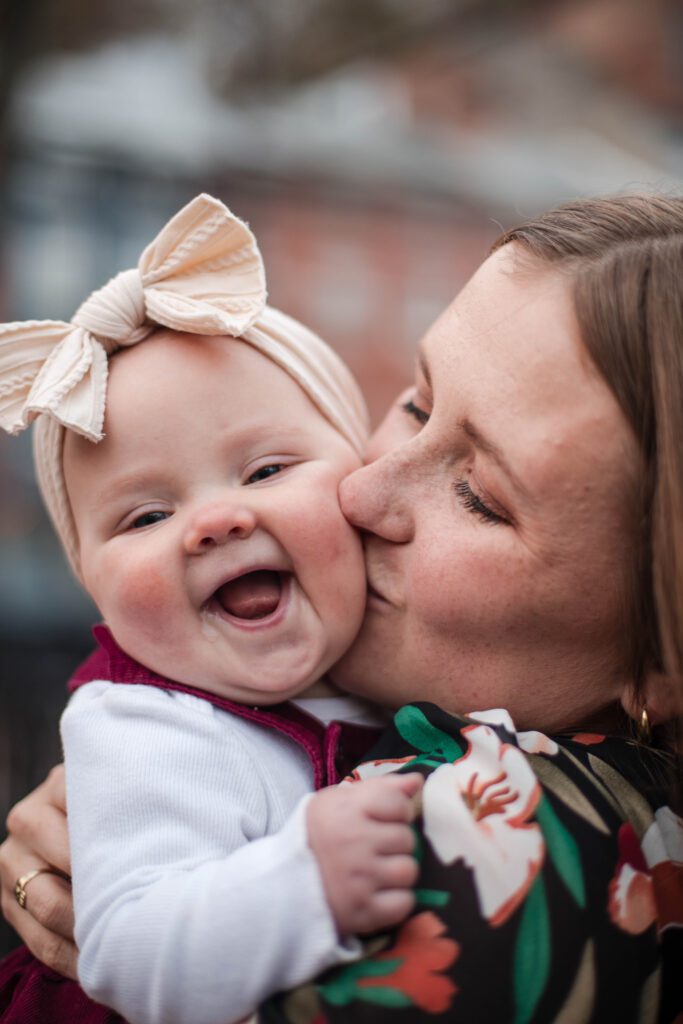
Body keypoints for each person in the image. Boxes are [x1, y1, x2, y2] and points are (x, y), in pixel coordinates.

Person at [2, 192, 683, 1022]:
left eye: (478, 496)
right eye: (417, 403)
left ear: (662, 661)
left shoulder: (505, 853)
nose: (359, 490)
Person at [0, 194, 423, 1024]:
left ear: (356, 479)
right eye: (145, 518)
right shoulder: (144, 727)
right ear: (95, 589)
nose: (215, 521)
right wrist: (305, 880)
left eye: (265, 471)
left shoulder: (392, 666)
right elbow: (124, 949)